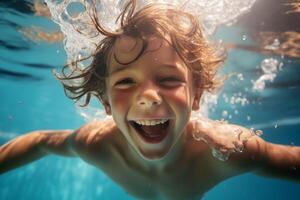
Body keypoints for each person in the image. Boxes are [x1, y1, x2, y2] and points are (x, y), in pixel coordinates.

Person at [1, 1, 299, 199]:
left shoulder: (229, 150)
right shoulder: (97, 144)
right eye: (126, 81)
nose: (147, 97)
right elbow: (41, 140)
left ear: (196, 96)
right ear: (105, 102)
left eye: (169, 79)